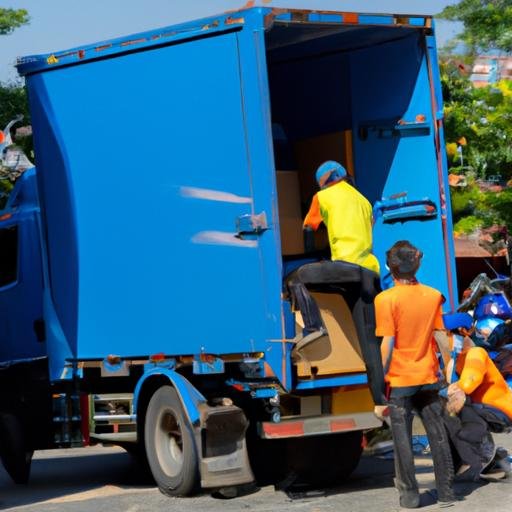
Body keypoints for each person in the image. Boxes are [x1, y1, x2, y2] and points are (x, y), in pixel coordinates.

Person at [373, 240, 456, 509]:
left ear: (390, 266)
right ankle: (446, 494)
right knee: (438, 435)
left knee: (403, 440)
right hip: (429, 377)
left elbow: (387, 343)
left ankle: (410, 497)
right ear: (417, 264)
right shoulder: (433, 296)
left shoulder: (385, 299)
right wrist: (447, 371)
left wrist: (378, 382)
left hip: (399, 381)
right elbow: (441, 336)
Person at [289, 161, 379, 350]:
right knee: (369, 340)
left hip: (344, 266)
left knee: (296, 278)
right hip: (369, 269)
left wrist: (313, 255)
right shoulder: (364, 200)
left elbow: (308, 228)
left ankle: (314, 327)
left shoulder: (322, 196)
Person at [442, 318, 512, 481]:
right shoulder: (459, 359)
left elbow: (469, 380)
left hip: (498, 409)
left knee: (461, 412)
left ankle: (481, 457)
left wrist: (458, 389)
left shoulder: (476, 353)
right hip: (489, 408)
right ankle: (491, 459)